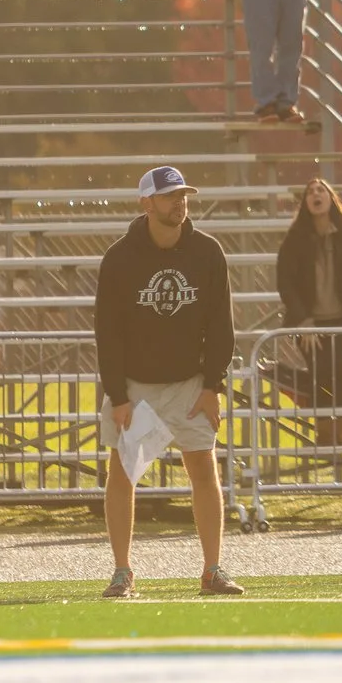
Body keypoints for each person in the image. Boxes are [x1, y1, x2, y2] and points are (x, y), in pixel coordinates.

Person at [94, 165, 241, 598]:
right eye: (170, 196)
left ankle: (212, 570)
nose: (180, 202)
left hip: (190, 383)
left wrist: (213, 385)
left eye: (183, 195)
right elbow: (108, 331)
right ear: (147, 202)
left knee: (203, 467)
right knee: (122, 473)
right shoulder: (120, 258)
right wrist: (118, 396)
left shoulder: (207, 252)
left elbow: (221, 325)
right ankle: (123, 572)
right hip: (138, 386)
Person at [274, 177, 342, 434]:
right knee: (319, 371)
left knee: (340, 371)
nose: (316, 195)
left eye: (321, 190)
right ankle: (324, 432)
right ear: (305, 202)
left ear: (331, 199)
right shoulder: (295, 238)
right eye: (310, 192)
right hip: (308, 321)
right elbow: (285, 281)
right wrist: (303, 321)